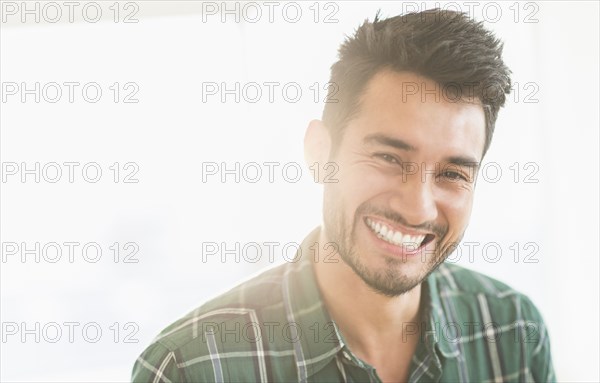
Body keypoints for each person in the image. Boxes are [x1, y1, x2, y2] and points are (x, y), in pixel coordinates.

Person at [132, 9, 555, 382]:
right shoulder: (191, 368)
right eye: (388, 157)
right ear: (319, 152)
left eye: (451, 173)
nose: (417, 207)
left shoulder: (514, 334)